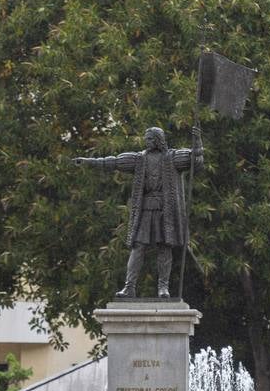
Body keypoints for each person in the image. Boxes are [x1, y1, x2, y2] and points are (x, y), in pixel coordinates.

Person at [73, 126, 203, 299]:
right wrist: (89, 162)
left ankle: (163, 288)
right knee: (137, 248)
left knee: (164, 248)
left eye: (150, 139)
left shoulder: (172, 158)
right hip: (145, 211)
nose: (146, 142)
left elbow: (196, 159)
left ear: (158, 140)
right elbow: (113, 162)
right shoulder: (139, 159)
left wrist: (197, 140)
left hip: (165, 213)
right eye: (146, 139)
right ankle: (129, 287)